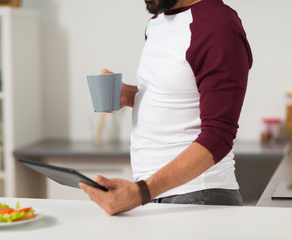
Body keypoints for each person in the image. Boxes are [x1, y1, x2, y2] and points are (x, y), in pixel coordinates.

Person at [80, 0, 253, 215]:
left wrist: (142, 192)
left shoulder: (218, 24)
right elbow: (177, 95)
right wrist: (130, 95)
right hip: (155, 194)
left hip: (199, 197)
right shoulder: (157, 24)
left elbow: (219, 135)